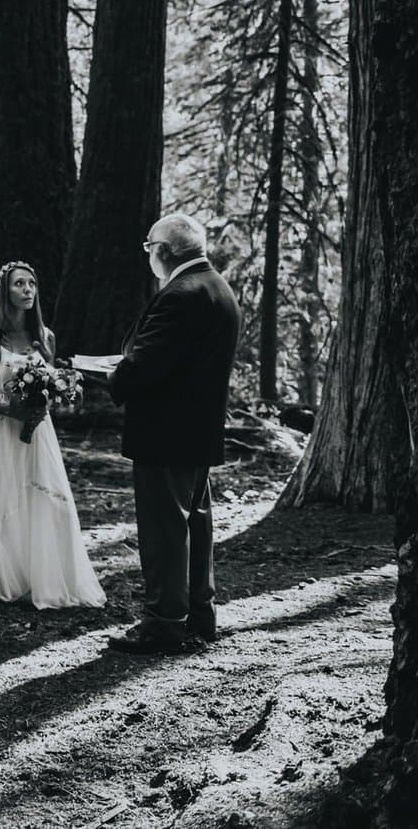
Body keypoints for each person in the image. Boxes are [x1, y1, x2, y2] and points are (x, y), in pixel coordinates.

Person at [105, 213, 240, 654]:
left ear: (166, 251)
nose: (148, 255)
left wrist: (115, 376)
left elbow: (145, 366)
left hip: (165, 433)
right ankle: (199, 615)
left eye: (149, 247)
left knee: (164, 530)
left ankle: (163, 623)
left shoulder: (179, 295)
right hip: (198, 433)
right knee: (195, 527)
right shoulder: (219, 289)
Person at [0, 262, 106, 609]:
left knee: (46, 500)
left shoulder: (45, 338)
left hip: (39, 432)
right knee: (5, 501)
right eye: (19, 284)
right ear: (4, 292)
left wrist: (55, 393)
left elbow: (50, 383)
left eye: (32, 283)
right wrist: (5, 409)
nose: (28, 290)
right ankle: (7, 578)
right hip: (0, 431)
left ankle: (45, 576)